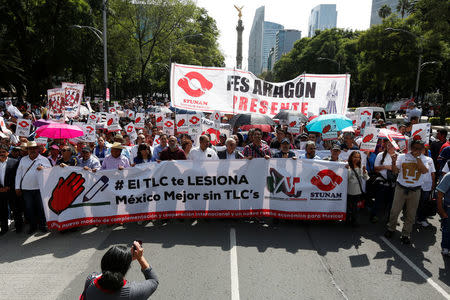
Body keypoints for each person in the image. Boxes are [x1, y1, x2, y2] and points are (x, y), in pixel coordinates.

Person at [385, 140, 429, 244]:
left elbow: (424, 171)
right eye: (414, 148)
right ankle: (391, 228)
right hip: (401, 188)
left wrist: (417, 158)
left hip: (415, 190)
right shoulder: (402, 156)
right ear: (411, 147)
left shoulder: (424, 158)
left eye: (419, 148)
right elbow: (395, 171)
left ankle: (406, 234)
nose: (416, 150)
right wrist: (393, 161)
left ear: (423, 149)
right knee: (395, 211)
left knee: (411, 214)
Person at [82, 242, 159, 299]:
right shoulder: (133, 292)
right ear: (126, 269)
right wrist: (140, 258)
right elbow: (154, 281)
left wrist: (125, 261)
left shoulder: (91, 281)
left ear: (103, 263)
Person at [15, 141, 51, 234]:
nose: (32, 150)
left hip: (40, 188)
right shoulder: (23, 159)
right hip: (26, 189)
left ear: (38, 149)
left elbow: (50, 172)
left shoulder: (44, 159)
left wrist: (44, 169)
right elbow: (18, 174)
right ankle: (33, 226)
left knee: (41, 208)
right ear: (27, 150)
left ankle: (42, 225)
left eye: (34, 148)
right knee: (29, 208)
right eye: (30, 148)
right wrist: (17, 187)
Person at [371, 142, 397, 223]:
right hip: (382, 182)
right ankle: (374, 216)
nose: (389, 147)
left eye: (392, 145)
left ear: (396, 147)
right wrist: (386, 167)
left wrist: (393, 167)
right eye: (388, 145)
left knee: (392, 203)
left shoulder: (399, 156)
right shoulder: (380, 155)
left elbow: (399, 170)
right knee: (378, 201)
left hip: (393, 184)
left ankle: (390, 219)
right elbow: (375, 169)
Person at [0, 145, 21, 234]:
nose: (1, 154)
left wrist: (10, 186)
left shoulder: (15, 162)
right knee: (2, 210)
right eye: (0, 152)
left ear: (8, 153)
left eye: (3, 152)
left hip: (11, 190)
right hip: (1, 192)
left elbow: (17, 177)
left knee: (15, 209)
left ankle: (19, 227)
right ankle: (4, 228)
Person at [347, 151, 369, 226]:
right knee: (349, 207)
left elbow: (366, 178)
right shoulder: (347, 166)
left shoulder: (361, 167)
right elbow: (346, 178)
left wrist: (364, 171)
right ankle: (348, 219)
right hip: (348, 191)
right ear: (351, 157)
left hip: (357, 192)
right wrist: (348, 169)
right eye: (354, 157)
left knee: (355, 208)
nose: (356, 159)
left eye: (358, 157)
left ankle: (354, 220)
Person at [416, 148, 436, 227]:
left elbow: (432, 173)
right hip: (417, 184)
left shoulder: (430, 159)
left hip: (427, 185)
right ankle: (414, 217)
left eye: (423, 149)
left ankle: (422, 219)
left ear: (425, 151)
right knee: (415, 202)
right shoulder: (414, 159)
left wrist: (433, 184)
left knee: (424, 203)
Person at [437, 172, 450, 256]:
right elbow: (439, 194)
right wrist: (441, 210)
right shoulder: (448, 176)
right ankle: (446, 247)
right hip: (449, 207)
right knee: (447, 228)